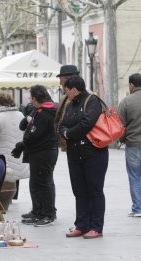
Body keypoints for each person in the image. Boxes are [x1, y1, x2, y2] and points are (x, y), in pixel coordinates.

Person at [58, 75, 108, 239]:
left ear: (73, 89)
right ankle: (81, 225)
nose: (66, 94)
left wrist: (68, 133)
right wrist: (66, 132)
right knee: (79, 191)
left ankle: (96, 227)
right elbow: (62, 124)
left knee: (95, 190)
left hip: (93, 154)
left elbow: (87, 123)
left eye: (66, 90)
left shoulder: (92, 101)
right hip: (74, 154)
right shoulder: (71, 104)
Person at [12, 85, 58, 227]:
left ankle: (48, 213)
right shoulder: (40, 110)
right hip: (39, 152)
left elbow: (34, 133)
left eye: (31, 97)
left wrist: (21, 145)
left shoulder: (45, 112)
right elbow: (25, 126)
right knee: (36, 182)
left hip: (44, 152)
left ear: (34, 98)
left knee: (44, 183)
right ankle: (38, 210)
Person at [0, 92, 29, 210]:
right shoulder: (20, 114)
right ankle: (13, 195)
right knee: (15, 170)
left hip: (2, 149)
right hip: (18, 148)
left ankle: (3, 197)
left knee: (4, 173)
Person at [118, 73, 141, 217]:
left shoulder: (126, 102)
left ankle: (137, 210)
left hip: (132, 145)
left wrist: (122, 139)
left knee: (134, 178)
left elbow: (120, 126)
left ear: (131, 85)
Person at [54, 65, 81, 151]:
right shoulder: (64, 98)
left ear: (67, 79)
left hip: (82, 144)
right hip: (70, 144)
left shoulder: (87, 97)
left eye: (61, 80)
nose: (60, 83)